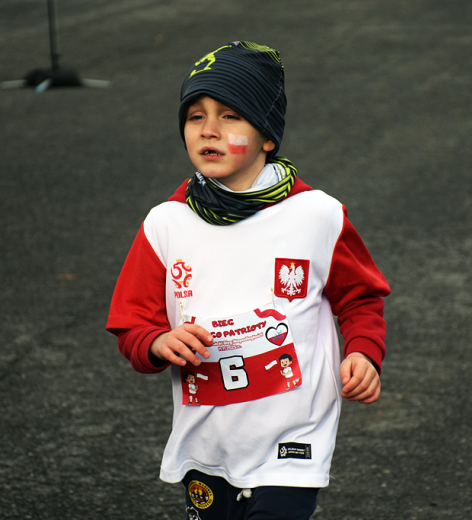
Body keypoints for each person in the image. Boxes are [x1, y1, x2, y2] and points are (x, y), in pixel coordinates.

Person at [107, 41, 390, 520]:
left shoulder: (317, 216)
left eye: (230, 115)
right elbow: (132, 322)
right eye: (195, 116)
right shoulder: (165, 224)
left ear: (268, 137)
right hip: (207, 442)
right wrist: (158, 343)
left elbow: (360, 296)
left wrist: (364, 350)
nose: (209, 130)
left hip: (293, 438)